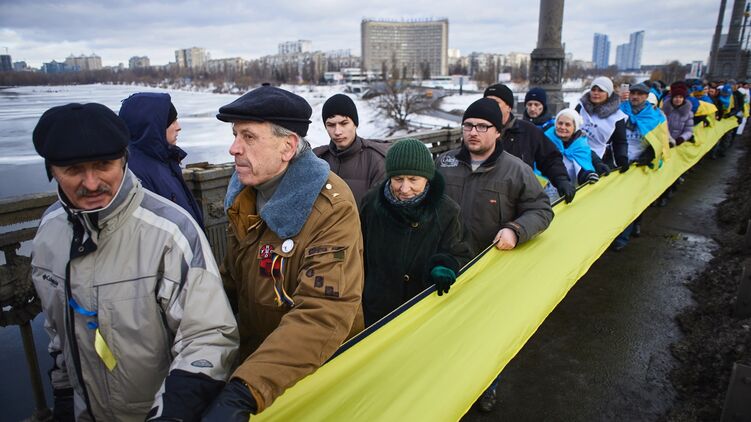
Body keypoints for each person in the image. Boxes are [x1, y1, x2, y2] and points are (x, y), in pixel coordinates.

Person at [30, 103, 239, 421]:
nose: (91, 182)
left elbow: (208, 336)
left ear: (124, 160)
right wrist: (63, 398)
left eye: (103, 165)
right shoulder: (49, 232)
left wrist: (173, 412)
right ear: (52, 172)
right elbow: (59, 331)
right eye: (73, 170)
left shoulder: (170, 231)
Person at [204, 86, 365, 421]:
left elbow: (324, 312)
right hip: (259, 366)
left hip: (315, 378)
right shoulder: (244, 196)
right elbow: (231, 280)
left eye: (248, 136)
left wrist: (246, 388)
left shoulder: (331, 207)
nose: (233, 148)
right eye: (235, 135)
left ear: (288, 146)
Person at [436, 97, 553, 412]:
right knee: (447, 333)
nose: (474, 132)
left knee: (486, 336)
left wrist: (516, 229)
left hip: (491, 270)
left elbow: (541, 209)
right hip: (448, 267)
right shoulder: (445, 163)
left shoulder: (516, 170)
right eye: (469, 125)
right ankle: (444, 386)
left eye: (483, 127)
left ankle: (487, 385)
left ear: (498, 132)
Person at [359, 138, 472, 326]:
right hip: (377, 308)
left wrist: (444, 265)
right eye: (397, 179)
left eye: (413, 180)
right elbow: (358, 251)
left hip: (423, 309)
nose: (404, 188)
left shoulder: (447, 211)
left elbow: (460, 252)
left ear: (427, 177)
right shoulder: (371, 204)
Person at [118, 92, 204, 229]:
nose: (178, 126)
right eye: (172, 121)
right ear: (152, 127)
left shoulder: (162, 160)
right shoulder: (135, 174)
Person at [483, 84, 573, 203]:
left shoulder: (528, 131)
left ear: (509, 107)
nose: (490, 107)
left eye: (495, 103)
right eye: (486, 102)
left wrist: (561, 180)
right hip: (485, 198)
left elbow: (550, 158)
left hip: (518, 200)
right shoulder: (477, 131)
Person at [612, 83, 666, 250]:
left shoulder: (656, 117)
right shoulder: (619, 111)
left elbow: (661, 143)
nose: (635, 97)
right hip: (616, 164)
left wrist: (649, 155)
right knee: (614, 203)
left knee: (632, 202)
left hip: (638, 166)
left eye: (640, 94)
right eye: (633, 93)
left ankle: (623, 237)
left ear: (646, 96)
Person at [313, 93, 389, 205]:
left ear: (355, 124)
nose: (337, 132)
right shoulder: (317, 160)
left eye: (344, 123)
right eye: (331, 125)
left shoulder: (376, 161)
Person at [576, 77, 629, 175]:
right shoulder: (581, 107)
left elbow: (620, 142)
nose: (596, 93)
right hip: (577, 153)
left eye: (601, 90)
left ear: (608, 94)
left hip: (601, 157)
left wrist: (622, 158)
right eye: (593, 89)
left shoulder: (617, 116)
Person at [543, 109, 600, 188]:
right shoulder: (544, 140)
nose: (562, 127)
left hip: (571, 190)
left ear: (575, 127)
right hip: (545, 188)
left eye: (567, 125)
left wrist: (587, 176)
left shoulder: (581, 146)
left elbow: (582, 168)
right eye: (560, 123)